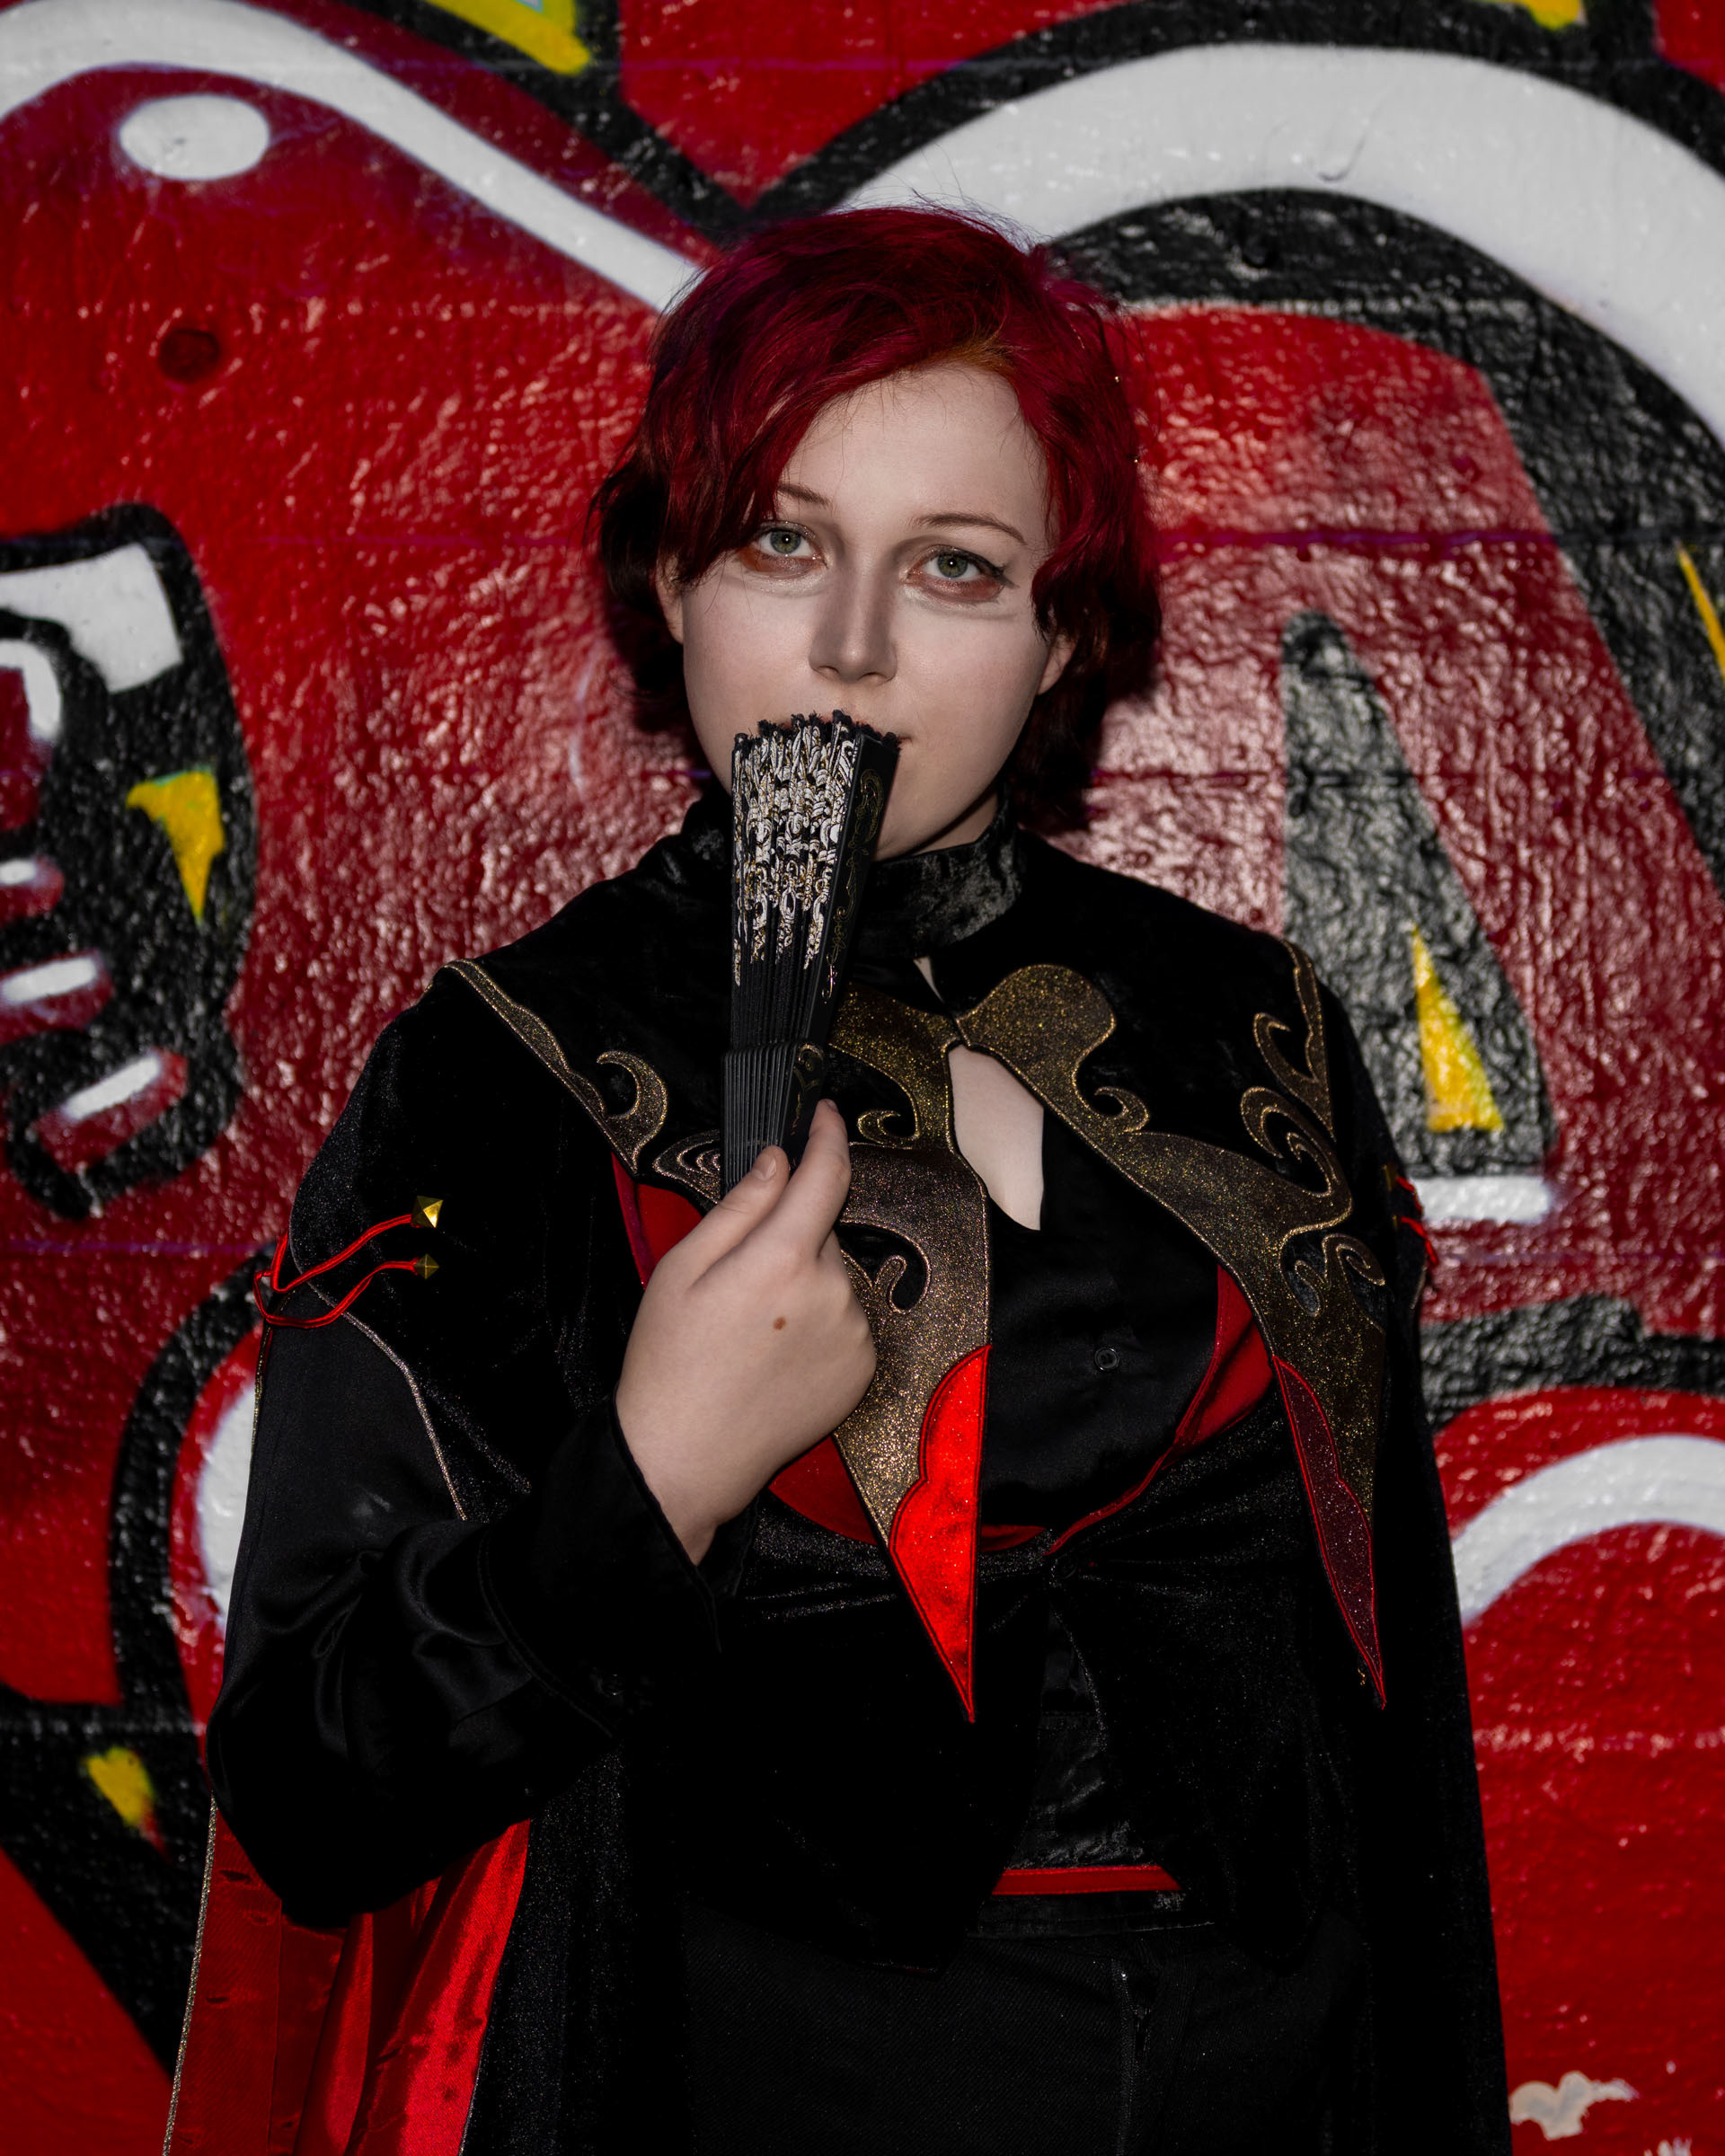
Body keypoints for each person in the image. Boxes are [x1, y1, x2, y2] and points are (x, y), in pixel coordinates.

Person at [181, 208, 1510, 2155]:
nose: (856, 646)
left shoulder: (1260, 1036)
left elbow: (1400, 1760)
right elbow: (311, 1785)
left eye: (954, 570)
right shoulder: (511, 1069)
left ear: (1061, 635)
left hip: (1281, 2089)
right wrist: (655, 1479)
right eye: (783, 545)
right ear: (671, 577)